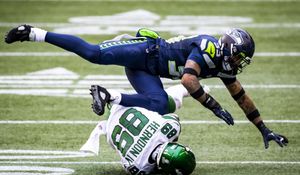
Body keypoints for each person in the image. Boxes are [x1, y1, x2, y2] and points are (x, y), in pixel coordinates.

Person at [5, 25, 288, 149]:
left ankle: (108, 95)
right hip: (143, 51)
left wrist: (264, 128)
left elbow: (241, 96)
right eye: (239, 56)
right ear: (229, 48)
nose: (239, 63)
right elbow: (189, 80)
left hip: (149, 71)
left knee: (158, 104)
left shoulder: (224, 65)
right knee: (94, 54)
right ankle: (33, 33)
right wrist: (214, 107)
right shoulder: (208, 46)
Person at [80, 84, 196, 175]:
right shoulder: (137, 167)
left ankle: (188, 88)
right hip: (109, 128)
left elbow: (172, 118)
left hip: (126, 105)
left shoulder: (171, 127)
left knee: (165, 104)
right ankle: (111, 96)